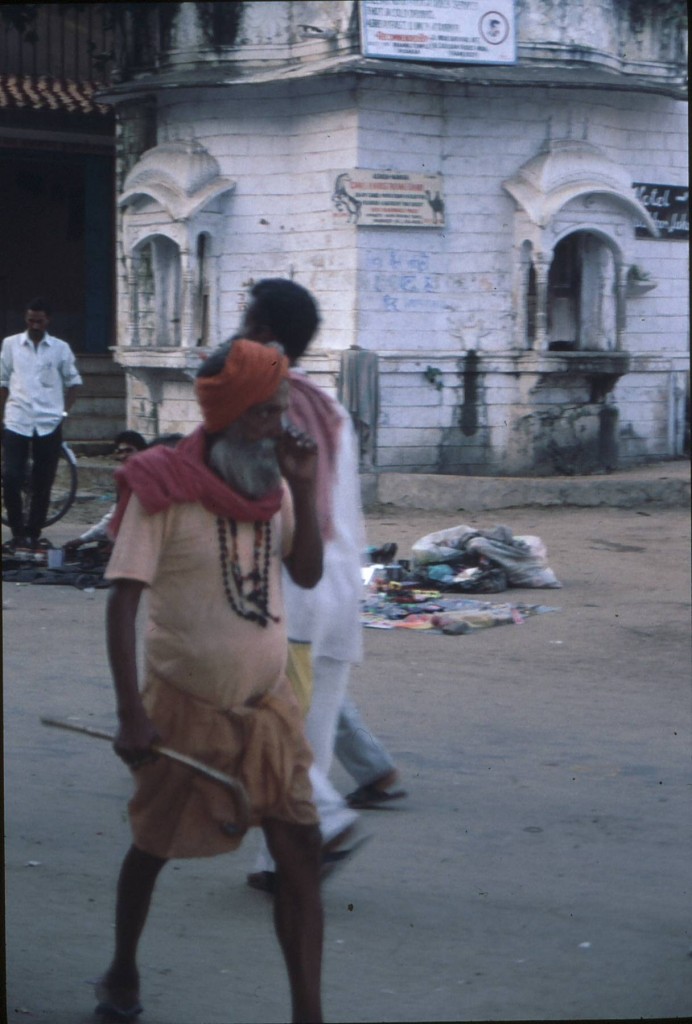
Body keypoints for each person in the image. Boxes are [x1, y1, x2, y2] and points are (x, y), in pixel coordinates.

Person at [97, 338, 325, 1023]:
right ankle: (122, 970)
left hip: (270, 711)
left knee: (300, 857)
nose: (283, 429)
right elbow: (122, 600)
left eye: (286, 412)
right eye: (269, 415)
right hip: (183, 711)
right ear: (233, 419)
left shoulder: (275, 486)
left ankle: (307, 1014)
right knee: (151, 848)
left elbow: (308, 573)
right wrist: (130, 716)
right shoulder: (160, 487)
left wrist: (307, 490)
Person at [240, 279, 404, 892]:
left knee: (263, 725)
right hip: (340, 585)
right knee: (310, 732)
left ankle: (326, 820)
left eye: (247, 322)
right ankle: (275, 861)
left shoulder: (263, 404)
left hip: (292, 586)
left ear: (263, 333)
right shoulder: (331, 407)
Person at [1, 298, 82, 552]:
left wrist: (63, 413)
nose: (34, 325)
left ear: (48, 321)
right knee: (11, 476)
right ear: (26, 320)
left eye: (39, 320)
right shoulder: (11, 345)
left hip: (49, 422)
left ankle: (33, 534)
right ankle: (17, 533)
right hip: (16, 420)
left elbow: (74, 383)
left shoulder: (60, 348)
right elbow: (3, 382)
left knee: (43, 481)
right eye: (30, 320)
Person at [62, 431, 147, 559]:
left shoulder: (147, 479)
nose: (124, 456)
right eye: (120, 452)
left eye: (129, 451)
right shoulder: (125, 479)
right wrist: (82, 540)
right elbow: (115, 516)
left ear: (142, 452)